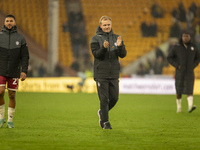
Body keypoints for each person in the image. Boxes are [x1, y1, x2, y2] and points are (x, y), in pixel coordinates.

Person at [90, 16, 127, 129]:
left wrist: (120, 46)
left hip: (114, 74)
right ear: (100, 26)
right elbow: (96, 55)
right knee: (104, 99)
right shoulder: (95, 39)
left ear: (111, 25)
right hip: (101, 74)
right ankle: (105, 122)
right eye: (104, 25)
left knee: (115, 98)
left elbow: (123, 54)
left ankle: (102, 112)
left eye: (108, 25)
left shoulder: (117, 38)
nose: (107, 27)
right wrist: (103, 48)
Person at [0, 15, 29, 128]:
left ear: (15, 22)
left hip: (14, 70)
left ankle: (10, 121)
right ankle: (1, 117)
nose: (9, 23)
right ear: (4, 22)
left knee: (12, 95)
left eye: (11, 21)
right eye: (7, 21)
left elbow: (25, 56)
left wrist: (24, 70)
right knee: (0, 92)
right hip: (1, 70)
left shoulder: (20, 38)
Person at [167, 31, 200, 113]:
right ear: (181, 37)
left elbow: (198, 58)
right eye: (184, 36)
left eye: (187, 36)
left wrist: (193, 65)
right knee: (179, 91)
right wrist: (177, 66)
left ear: (189, 37)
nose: (185, 38)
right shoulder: (176, 47)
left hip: (189, 73)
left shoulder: (194, 47)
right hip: (179, 73)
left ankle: (190, 107)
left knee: (189, 90)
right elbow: (169, 58)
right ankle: (179, 107)